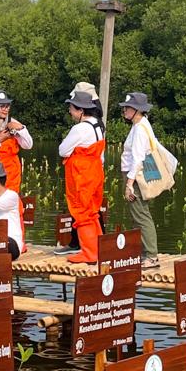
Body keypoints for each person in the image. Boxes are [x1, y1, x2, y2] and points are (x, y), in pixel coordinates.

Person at [54, 82, 106, 255]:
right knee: (92, 212)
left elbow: (62, 150)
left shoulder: (80, 128)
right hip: (96, 172)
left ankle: (89, 252)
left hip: (82, 176)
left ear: (81, 111)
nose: (70, 111)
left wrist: (73, 152)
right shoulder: (98, 125)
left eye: (72, 108)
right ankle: (97, 249)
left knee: (82, 212)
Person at [120, 92, 167, 269]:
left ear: (137, 110)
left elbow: (138, 159)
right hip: (135, 176)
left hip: (135, 178)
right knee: (139, 214)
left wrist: (129, 184)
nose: (124, 110)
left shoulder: (139, 129)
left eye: (127, 108)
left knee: (141, 215)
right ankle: (145, 253)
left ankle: (151, 256)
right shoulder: (141, 124)